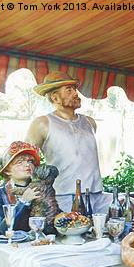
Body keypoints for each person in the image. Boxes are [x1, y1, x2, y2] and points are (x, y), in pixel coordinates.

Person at [26, 71, 111, 213]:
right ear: (55, 97)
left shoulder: (90, 122)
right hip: (63, 196)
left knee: (132, 208)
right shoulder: (42, 123)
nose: (76, 93)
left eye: (75, 89)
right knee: (72, 232)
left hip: (96, 193)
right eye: (69, 90)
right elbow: (27, 159)